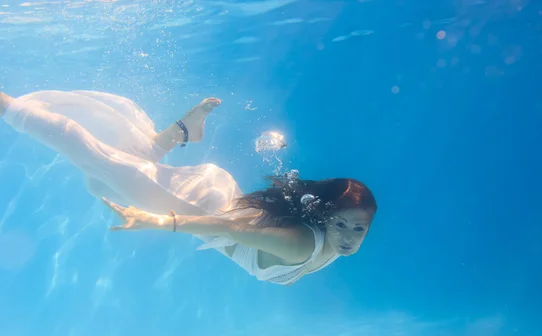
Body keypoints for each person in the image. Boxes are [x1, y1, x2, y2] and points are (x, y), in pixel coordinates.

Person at [0, 89, 377, 285]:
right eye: (342, 224)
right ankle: (7, 106)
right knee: (89, 154)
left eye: (357, 228)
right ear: (323, 217)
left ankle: (183, 131)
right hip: (200, 207)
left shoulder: (329, 240)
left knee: (100, 181)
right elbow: (232, 230)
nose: (348, 237)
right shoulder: (302, 245)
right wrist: (159, 221)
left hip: (220, 194)